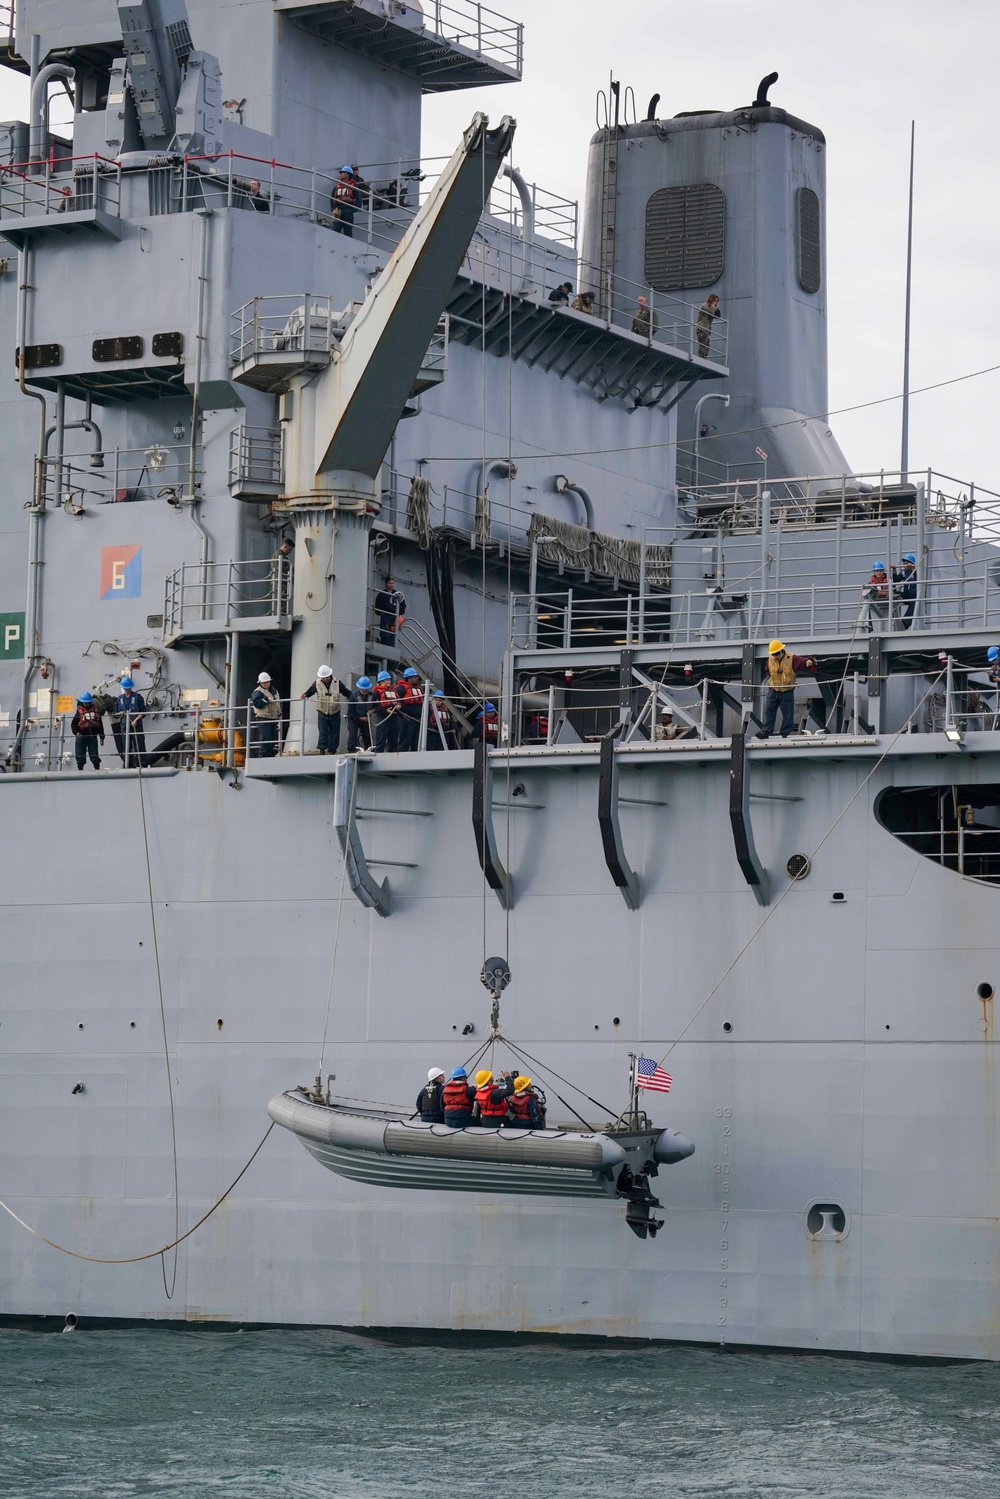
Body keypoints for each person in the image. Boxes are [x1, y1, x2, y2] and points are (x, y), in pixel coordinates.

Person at [756, 640, 817, 739]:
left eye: (776, 654)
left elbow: (803, 662)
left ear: (781, 651)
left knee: (788, 713)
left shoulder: (792, 658)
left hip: (787, 691)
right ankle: (766, 731)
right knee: (769, 711)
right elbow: (768, 671)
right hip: (773, 690)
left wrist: (808, 662)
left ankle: (785, 733)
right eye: (773, 654)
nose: (775, 656)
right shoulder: (770, 660)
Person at [301, 664, 347, 753]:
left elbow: (345, 691)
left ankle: (332, 750)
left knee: (335, 731)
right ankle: (322, 749)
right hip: (322, 711)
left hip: (335, 711)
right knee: (323, 731)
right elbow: (310, 691)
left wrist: (351, 696)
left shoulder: (337, 682)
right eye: (323, 677)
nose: (325, 679)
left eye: (326, 677)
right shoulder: (317, 683)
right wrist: (305, 695)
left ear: (329, 675)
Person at [249, 671, 281, 757]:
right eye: (264, 682)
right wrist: (266, 699)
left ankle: (271, 754)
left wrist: (279, 712)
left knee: (273, 737)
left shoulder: (273, 691)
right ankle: (265, 755)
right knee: (266, 737)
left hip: (273, 718)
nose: (266, 684)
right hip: (263, 718)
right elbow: (257, 704)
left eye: (267, 682)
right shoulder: (257, 692)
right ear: (260, 683)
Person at [116, 676, 146, 766]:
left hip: (136, 726)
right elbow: (115, 712)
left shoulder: (138, 697)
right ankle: (127, 765)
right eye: (125, 688)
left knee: (139, 746)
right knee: (126, 746)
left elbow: (143, 712)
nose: (126, 690)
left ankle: (142, 764)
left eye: (128, 688)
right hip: (125, 726)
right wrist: (119, 713)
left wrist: (136, 720)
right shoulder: (120, 698)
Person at [71, 692, 104, 771]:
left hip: (92, 736)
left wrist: (102, 737)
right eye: (85, 703)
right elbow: (73, 724)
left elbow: (100, 724)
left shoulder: (96, 711)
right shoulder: (79, 712)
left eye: (88, 703)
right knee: (80, 754)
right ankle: (80, 769)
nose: (87, 705)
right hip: (81, 736)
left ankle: (97, 768)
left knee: (94, 754)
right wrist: (76, 732)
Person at [371, 670, 402, 753]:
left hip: (394, 717)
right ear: (381, 682)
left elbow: (399, 701)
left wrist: (399, 706)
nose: (389, 681)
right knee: (381, 739)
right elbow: (374, 706)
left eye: (389, 679)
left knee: (394, 740)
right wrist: (385, 711)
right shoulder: (377, 692)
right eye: (387, 680)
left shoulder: (393, 692)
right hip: (383, 718)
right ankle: (379, 755)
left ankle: (392, 756)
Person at [395, 666, 423, 752]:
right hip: (406, 719)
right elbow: (396, 703)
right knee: (405, 740)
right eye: (415, 677)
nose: (417, 678)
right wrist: (402, 714)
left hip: (417, 719)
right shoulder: (401, 688)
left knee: (416, 741)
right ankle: (401, 757)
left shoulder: (418, 689)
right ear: (409, 678)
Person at [347, 676, 375, 752]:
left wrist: (372, 711)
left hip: (366, 718)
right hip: (354, 719)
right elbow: (351, 712)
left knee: (367, 734)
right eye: (363, 688)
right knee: (353, 733)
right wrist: (360, 718)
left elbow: (376, 706)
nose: (365, 690)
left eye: (366, 689)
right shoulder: (353, 696)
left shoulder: (372, 695)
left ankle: (369, 749)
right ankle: (351, 749)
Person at [374, 577, 405, 645]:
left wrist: (399, 613)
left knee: (392, 635)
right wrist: (380, 613)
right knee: (384, 634)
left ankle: (392, 647)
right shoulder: (382, 594)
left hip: (394, 617)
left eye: (393, 583)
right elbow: (377, 605)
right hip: (385, 616)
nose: (391, 585)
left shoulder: (397, 595)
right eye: (390, 583)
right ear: (386, 584)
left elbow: (403, 606)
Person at [331, 166, 358, 236]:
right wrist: (333, 209)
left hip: (348, 212)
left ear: (347, 174)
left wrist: (351, 210)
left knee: (348, 232)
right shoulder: (337, 187)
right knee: (335, 232)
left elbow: (359, 201)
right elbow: (331, 198)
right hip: (338, 211)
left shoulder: (354, 187)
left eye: (342, 173)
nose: (340, 174)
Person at [892, 553, 917, 628]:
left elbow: (918, 577)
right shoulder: (903, 573)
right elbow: (896, 580)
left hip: (914, 596)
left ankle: (905, 624)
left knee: (913, 606)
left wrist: (913, 569)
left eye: (906, 563)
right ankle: (893, 617)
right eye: (904, 563)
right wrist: (894, 570)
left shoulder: (916, 572)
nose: (904, 565)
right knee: (895, 594)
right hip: (907, 595)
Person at [272, 536, 294, 615]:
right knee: (280, 602)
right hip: (279, 583)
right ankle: (280, 615)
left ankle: (282, 614)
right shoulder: (278, 555)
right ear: (285, 546)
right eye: (289, 549)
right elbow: (278, 569)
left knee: (283, 601)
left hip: (282, 582)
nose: (290, 551)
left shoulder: (283, 556)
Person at [866, 559, 889, 630]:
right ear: (874, 572)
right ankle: (870, 628)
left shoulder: (888, 580)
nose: (879, 573)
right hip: (875, 602)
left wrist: (881, 593)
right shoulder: (871, 583)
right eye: (877, 571)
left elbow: (890, 591)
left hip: (886, 603)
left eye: (881, 571)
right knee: (869, 611)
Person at [696, 293, 721, 357]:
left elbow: (718, 316)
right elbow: (710, 312)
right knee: (703, 345)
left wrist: (716, 308)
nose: (716, 302)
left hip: (707, 329)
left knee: (707, 346)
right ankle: (701, 359)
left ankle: (703, 358)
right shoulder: (704, 305)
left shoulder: (713, 307)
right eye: (715, 300)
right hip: (702, 328)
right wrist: (713, 306)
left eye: (717, 301)